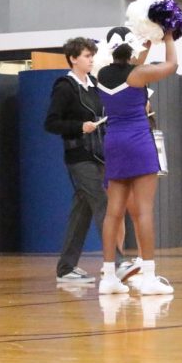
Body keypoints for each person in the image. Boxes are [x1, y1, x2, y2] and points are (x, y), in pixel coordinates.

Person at [45, 37, 139, 284]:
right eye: (87, 56)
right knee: (102, 203)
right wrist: (79, 126)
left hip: (98, 154)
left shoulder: (94, 84)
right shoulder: (64, 86)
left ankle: (66, 268)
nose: (91, 60)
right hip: (78, 156)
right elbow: (51, 123)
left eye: (91, 56)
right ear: (73, 58)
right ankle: (116, 264)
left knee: (82, 212)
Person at [97, 27, 177, 295]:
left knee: (113, 212)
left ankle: (108, 276)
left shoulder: (102, 75)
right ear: (131, 49)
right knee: (143, 211)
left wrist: (148, 43)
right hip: (138, 142)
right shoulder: (139, 74)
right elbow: (172, 65)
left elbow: (133, 67)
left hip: (113, 142)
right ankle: (149, 277)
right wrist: (166, 39)